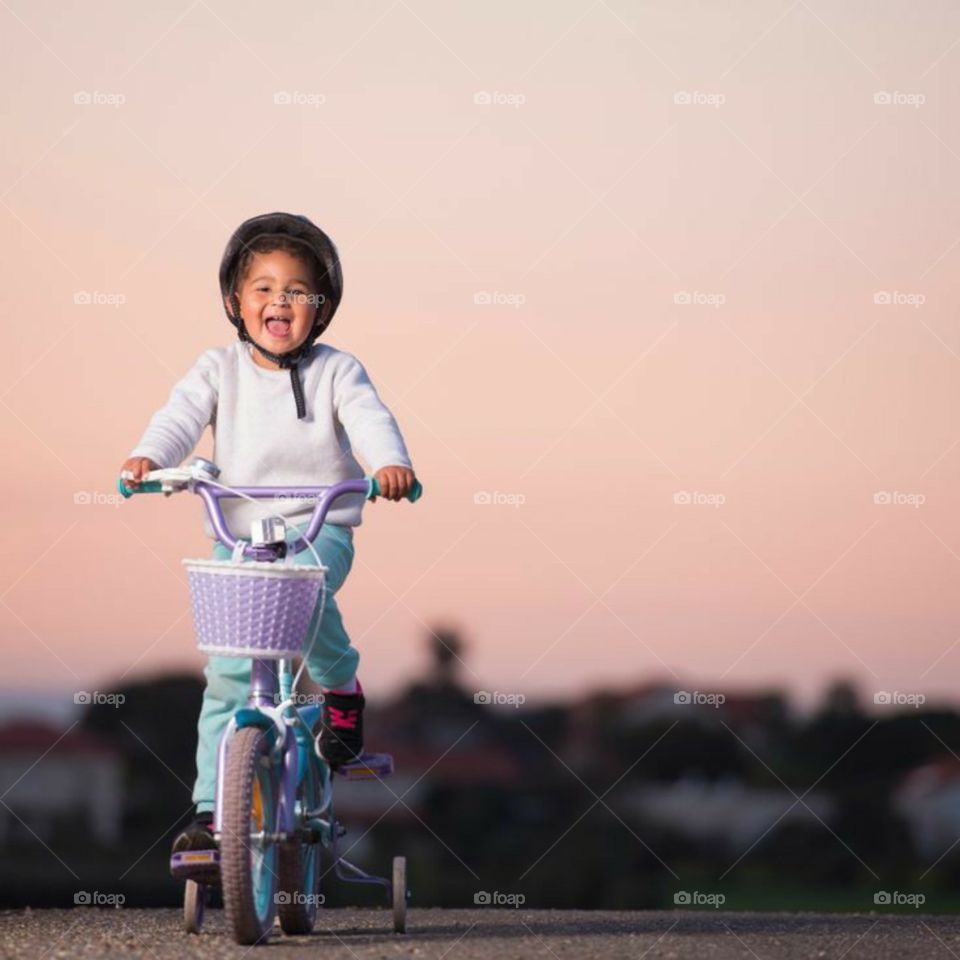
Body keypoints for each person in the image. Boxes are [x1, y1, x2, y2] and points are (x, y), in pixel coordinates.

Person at [118, 212, 416, 855]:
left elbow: (369, 418)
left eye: (297, 290)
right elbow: (179, 417)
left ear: (321, 307)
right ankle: (209, 811)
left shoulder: (339, 370)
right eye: (263, 287)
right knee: (226, 672)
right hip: (238, 533)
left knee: (302, 591)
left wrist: (389, 464)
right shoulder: (216, 368)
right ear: (235, 301)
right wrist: (148, 457)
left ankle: (341, 686)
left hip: (319, 527)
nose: (279, 300)